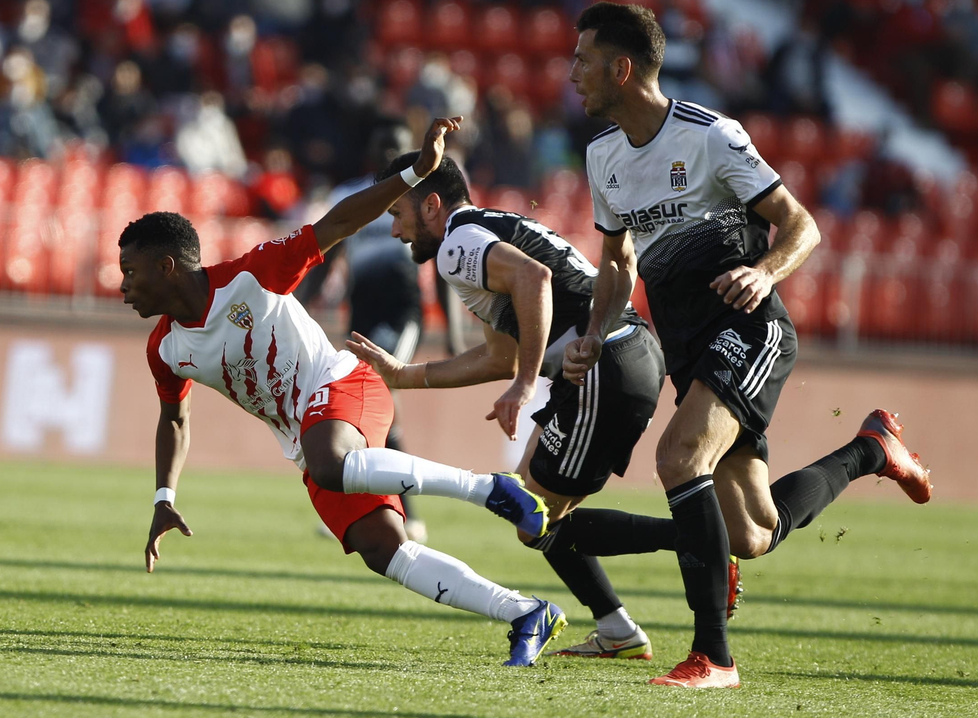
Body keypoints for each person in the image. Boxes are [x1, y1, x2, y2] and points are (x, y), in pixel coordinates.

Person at [562, 2, 932, 688]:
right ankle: (873, 449)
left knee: (679, 457)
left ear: (621, 67)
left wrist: (762, 271)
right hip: (688, 345)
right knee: (751, 534)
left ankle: (714, 657)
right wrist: (593, 332)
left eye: (582, 58)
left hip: (748, 329)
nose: (571, 72)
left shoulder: (710, 136)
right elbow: (618, 264)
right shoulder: (602, 154)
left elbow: (801, 226)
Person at [121, 117, 567, 666]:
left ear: (166, 267)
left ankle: (489, 490)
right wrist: (164, 498)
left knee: (330, 461)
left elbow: (337, 222)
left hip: (342, 384)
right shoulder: (164, 348)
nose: (123, 288)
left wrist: (414, 174)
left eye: (131, 273)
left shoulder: (250, 276)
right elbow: (174, 419)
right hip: (308, 436)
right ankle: (526, 613)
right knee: (386, 551)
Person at [345, 154, 670, 660]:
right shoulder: (478, 236)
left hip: (606, 362)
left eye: (397, 212)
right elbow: (500, 354)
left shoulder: (457, 244)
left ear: (431, 205)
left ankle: (698, 538)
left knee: (534, 516)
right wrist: (404, 376)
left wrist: (524, 384)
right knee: (529, 511)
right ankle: (617, 628)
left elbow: (535, 280)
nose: (393, 230)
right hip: (615, 358)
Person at [310, 125, 437, 542]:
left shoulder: (421, 197)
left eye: (395, 148)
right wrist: (299, 300)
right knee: (370, 411)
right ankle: (374, 512)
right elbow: (329, 253)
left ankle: (404, 514)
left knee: (381, 399)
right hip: (360, 314)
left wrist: (454, 330)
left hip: (401, 313)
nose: (388, 154)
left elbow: (441, 258)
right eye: (381, 147)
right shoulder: (349, 195)